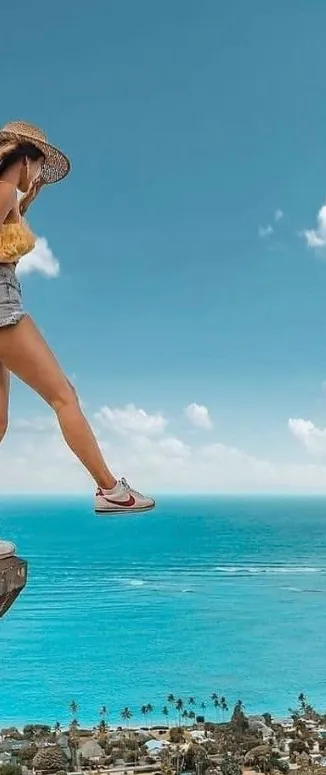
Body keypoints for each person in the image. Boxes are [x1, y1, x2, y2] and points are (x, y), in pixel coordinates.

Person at [0, 121, 154, 514]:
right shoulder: (2, 192)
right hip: (2, 308)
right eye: (37, 167)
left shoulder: (8, 197)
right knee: (63, 395)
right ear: (24, 161)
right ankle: (109, 490)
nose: (37, 176)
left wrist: (27, 195)